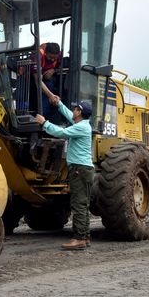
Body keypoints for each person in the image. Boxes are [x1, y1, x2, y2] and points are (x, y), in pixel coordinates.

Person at [34, 95, 94, 250]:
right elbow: (69, 115)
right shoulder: (83, 124)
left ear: (79, 112)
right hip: (83, 169)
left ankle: (79, 238)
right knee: (83, 203)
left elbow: (61, 132)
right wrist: (59, 104)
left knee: (78, 204)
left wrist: (44, 123)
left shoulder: (81, 127)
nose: (73, 110)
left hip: (79, 170)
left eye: (76, 109)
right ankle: (85, 237)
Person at [38, 42, 61, 116]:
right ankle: (43, 114)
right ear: (45, 53)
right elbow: (38, 80)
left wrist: (53, 70)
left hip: (50, 78)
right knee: (48, 85)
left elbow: (60, 67)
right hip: (38, 78)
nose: (52, 60)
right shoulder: (39, 55)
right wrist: (51, 96)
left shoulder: (59, 56)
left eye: (54, 58)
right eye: (50, 57)